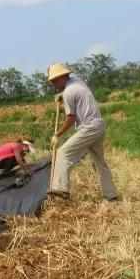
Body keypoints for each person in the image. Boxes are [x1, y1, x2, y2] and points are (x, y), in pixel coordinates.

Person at [47, 63, 118, 201]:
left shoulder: (68, 92)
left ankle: (61, 189)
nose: (53, 84)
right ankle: (110, 194)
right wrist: (62, 95)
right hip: (99, 125)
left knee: (63, 153)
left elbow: (71, 118)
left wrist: (57, 134)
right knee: (98, 162)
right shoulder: (78, 83)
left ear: (61, 78)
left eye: (54, 81)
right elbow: (77, 94)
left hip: (89, 127)